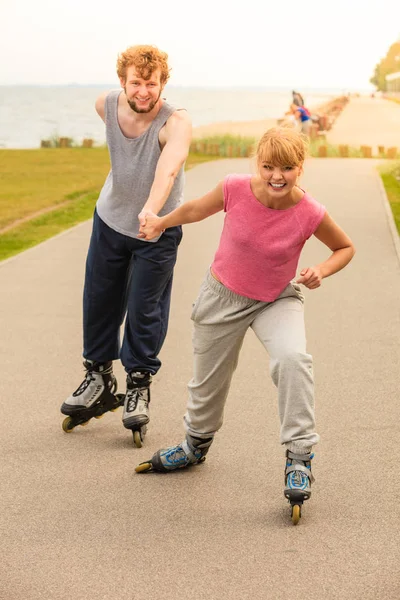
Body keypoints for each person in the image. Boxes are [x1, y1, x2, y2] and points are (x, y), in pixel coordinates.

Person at [135, 127, 355, 521]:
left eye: (287, 168)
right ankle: (194, 445)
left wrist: (321, 269)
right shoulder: (234, 188)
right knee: (208, 382)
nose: (277, 176)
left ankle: (300, 457)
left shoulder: (310, 212)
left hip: (277, 299)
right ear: (258, 163)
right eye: (269, 166)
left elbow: (345, 247)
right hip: (222, 297)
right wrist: (161, 221)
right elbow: (195, 210)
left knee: (293, 359)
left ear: (300, 167)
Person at [60, 45, 192, 445]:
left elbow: (168, 171)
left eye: (151, 84)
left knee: (145, 306)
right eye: (136, 82)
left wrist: (152, 213)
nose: (143, 92)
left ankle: (137, 383)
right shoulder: (107, 104)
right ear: (123, 81)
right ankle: (98, 376)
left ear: (162, 84)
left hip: (159, 228)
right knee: (99, 298)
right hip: (111, 220)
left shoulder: (177, 122)